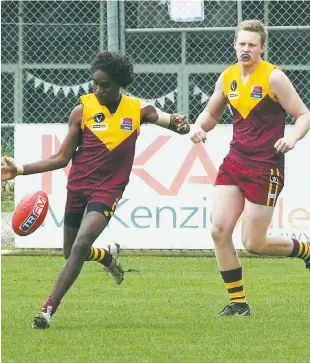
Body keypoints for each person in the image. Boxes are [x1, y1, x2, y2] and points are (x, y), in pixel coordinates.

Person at [1, 51, 190, 329]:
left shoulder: (139, 110)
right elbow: (61, 159)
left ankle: (48, 308)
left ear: (120, 84)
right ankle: (107, 256)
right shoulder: (82, 110)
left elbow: (177, 125)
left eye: (105, 85)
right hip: (78, 189)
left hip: (108, 191)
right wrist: (19, 170)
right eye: (95, 84)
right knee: (71, 252)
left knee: (79, 245)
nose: (99, 90)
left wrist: (181, 124)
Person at [190, 20, 310, 316]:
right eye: (241, 44)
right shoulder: (227, 77)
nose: (246, 49)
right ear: (234, 45)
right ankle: (238, 304)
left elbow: (303, 115)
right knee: (219, 231)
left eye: (252, 45)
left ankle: (306, 249)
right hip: (235, 162)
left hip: (266, 167)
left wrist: (292, 137)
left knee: (253, 243)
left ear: (262, 48)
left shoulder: (274, 78)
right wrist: (199, 127)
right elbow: (211, 113)